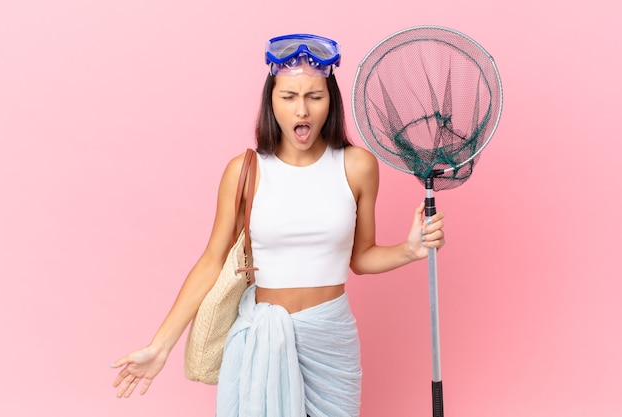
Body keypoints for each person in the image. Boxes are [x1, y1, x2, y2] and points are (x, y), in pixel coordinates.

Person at [111, 33, 445, 417]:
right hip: (260, 338)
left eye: (314, 97)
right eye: (288, 97)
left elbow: (361, 258)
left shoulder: (357, 166)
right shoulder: (245, 172)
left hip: (331, 341)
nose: (301, 111)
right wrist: (160, 346)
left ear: (330, 101)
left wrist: (410, 250)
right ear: (271, 101)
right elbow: (211, 261)